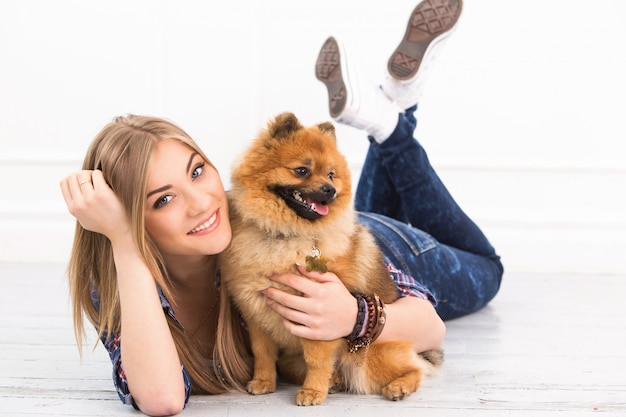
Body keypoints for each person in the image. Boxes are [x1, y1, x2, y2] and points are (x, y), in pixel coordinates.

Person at [60, 0, 501, 415]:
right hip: (331, 217)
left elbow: (431, 328)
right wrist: (122, 240)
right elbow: (160, 399)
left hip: (383, 249)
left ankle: (391, 126)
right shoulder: (123, 280)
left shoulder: (248, 215)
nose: (201, 203)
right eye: (164, 199)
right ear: (128, 220)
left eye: (197, 171)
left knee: (488, 268)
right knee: (343, 192)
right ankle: (396, 101)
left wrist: (353, 314)